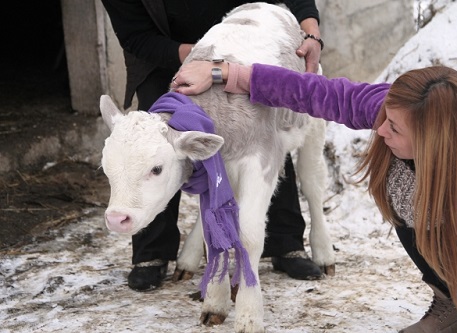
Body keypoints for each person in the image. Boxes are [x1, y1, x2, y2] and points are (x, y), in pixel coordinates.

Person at [173, 61, 457, 332]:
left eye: (395, 129)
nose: (381, 130)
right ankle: (450, 306)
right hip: (450, 206)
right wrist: (224, 73)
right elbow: (318, 93)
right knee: (400, 187)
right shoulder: (407, 109)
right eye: (385, 118)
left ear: (436, 140)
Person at [100, 0, 326, 292]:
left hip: (241, 44)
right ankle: (152, 253)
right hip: (167, 61)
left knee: (258, 135)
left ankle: (284, 241)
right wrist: (198, 57)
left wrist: (310, 30)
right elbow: (136, 36)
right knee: (152, 150)